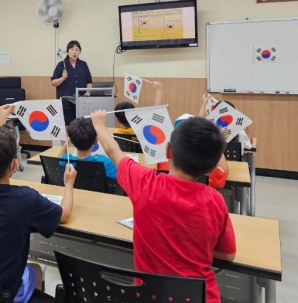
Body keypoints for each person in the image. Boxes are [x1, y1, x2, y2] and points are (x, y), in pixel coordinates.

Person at [91, 110, 236, 303]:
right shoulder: (215, 200)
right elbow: (228, 254)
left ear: (168, 151)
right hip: (200, 297)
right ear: (211, 168)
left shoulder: (144, 182)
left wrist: (99, 125)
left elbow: (113, 151)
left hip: (149, 296)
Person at [0, 105, 77, 302]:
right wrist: (69, 184)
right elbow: (64, 215)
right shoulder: (25, 199)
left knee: (33, 269)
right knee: (36, 270)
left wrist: (0, 119)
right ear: (14, 165)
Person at [51, 40, 92, 126]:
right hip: (66, 102)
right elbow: (53, 82)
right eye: (72, 49)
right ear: (67, 51)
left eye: (77, 50)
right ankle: (68, 140)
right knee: (68, 126)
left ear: (79, 52)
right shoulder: (61, 65)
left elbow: (89, 81)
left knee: (81, 126)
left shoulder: (83, 64)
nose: (74, 52)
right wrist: (62, 78)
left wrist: (88, 92)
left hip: (81, 101)